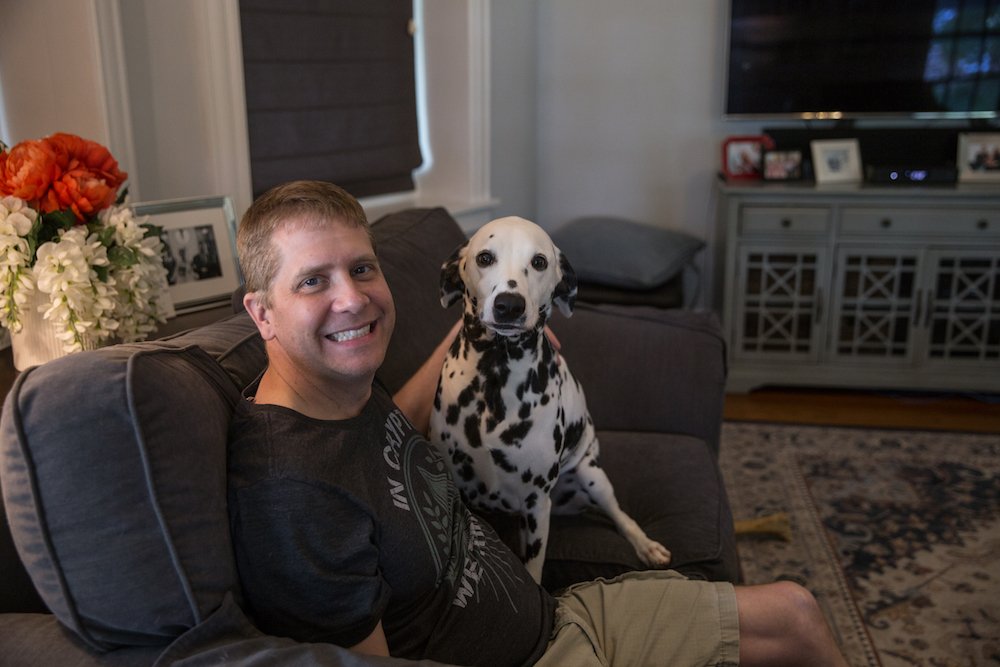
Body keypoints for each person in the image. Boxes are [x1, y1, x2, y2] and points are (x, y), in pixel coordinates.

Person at [228, 180, 849, 667]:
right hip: (533, 656)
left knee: (796, 608)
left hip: (549, 612)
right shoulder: (294, 490)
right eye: (313, 281)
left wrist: (483, 325)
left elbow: (416, 412)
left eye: (362, 269)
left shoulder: (345, 389)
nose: (353, 298)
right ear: (261, 313)